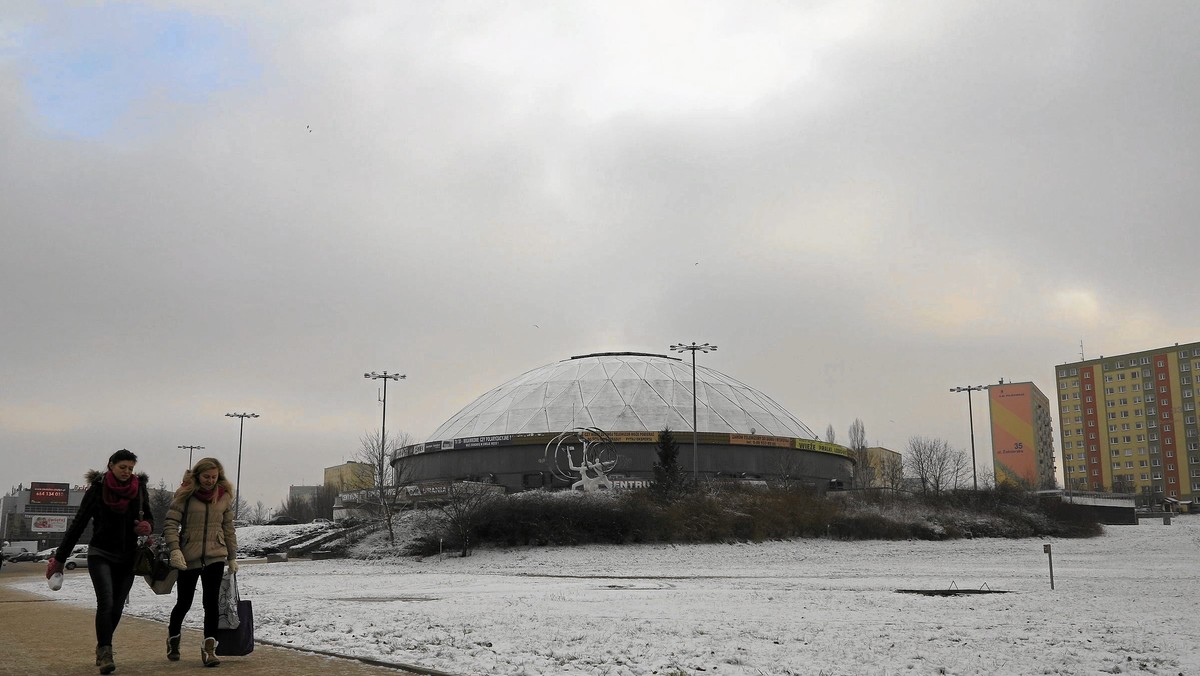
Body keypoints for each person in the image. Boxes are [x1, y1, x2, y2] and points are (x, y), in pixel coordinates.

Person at [45, 449, 153, 675]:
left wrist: (146, 526)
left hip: (128, 556)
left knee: (116, 606)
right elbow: (78, 523)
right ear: (111, 465)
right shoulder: (97, 489)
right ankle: (106, 651)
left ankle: (102, 644)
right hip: (100, 553)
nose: (127, 472)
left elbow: (149, 517)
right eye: (122, 467)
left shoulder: (139, 490)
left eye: (130, 468)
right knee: (105, 601)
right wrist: (60, 558)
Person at [163, 457, 238, 667]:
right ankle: (173, 638)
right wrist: (175, 550)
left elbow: (229, 528)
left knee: (211, 603)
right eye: (206, 476)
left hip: (215, 556)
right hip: (189, 558)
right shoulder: (185, 493)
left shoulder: (224, 496)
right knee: (184, 603)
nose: (210, 481)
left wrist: (232, 556)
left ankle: (209, 650)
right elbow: (170, 523)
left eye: (214, 477)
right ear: (198, 474)